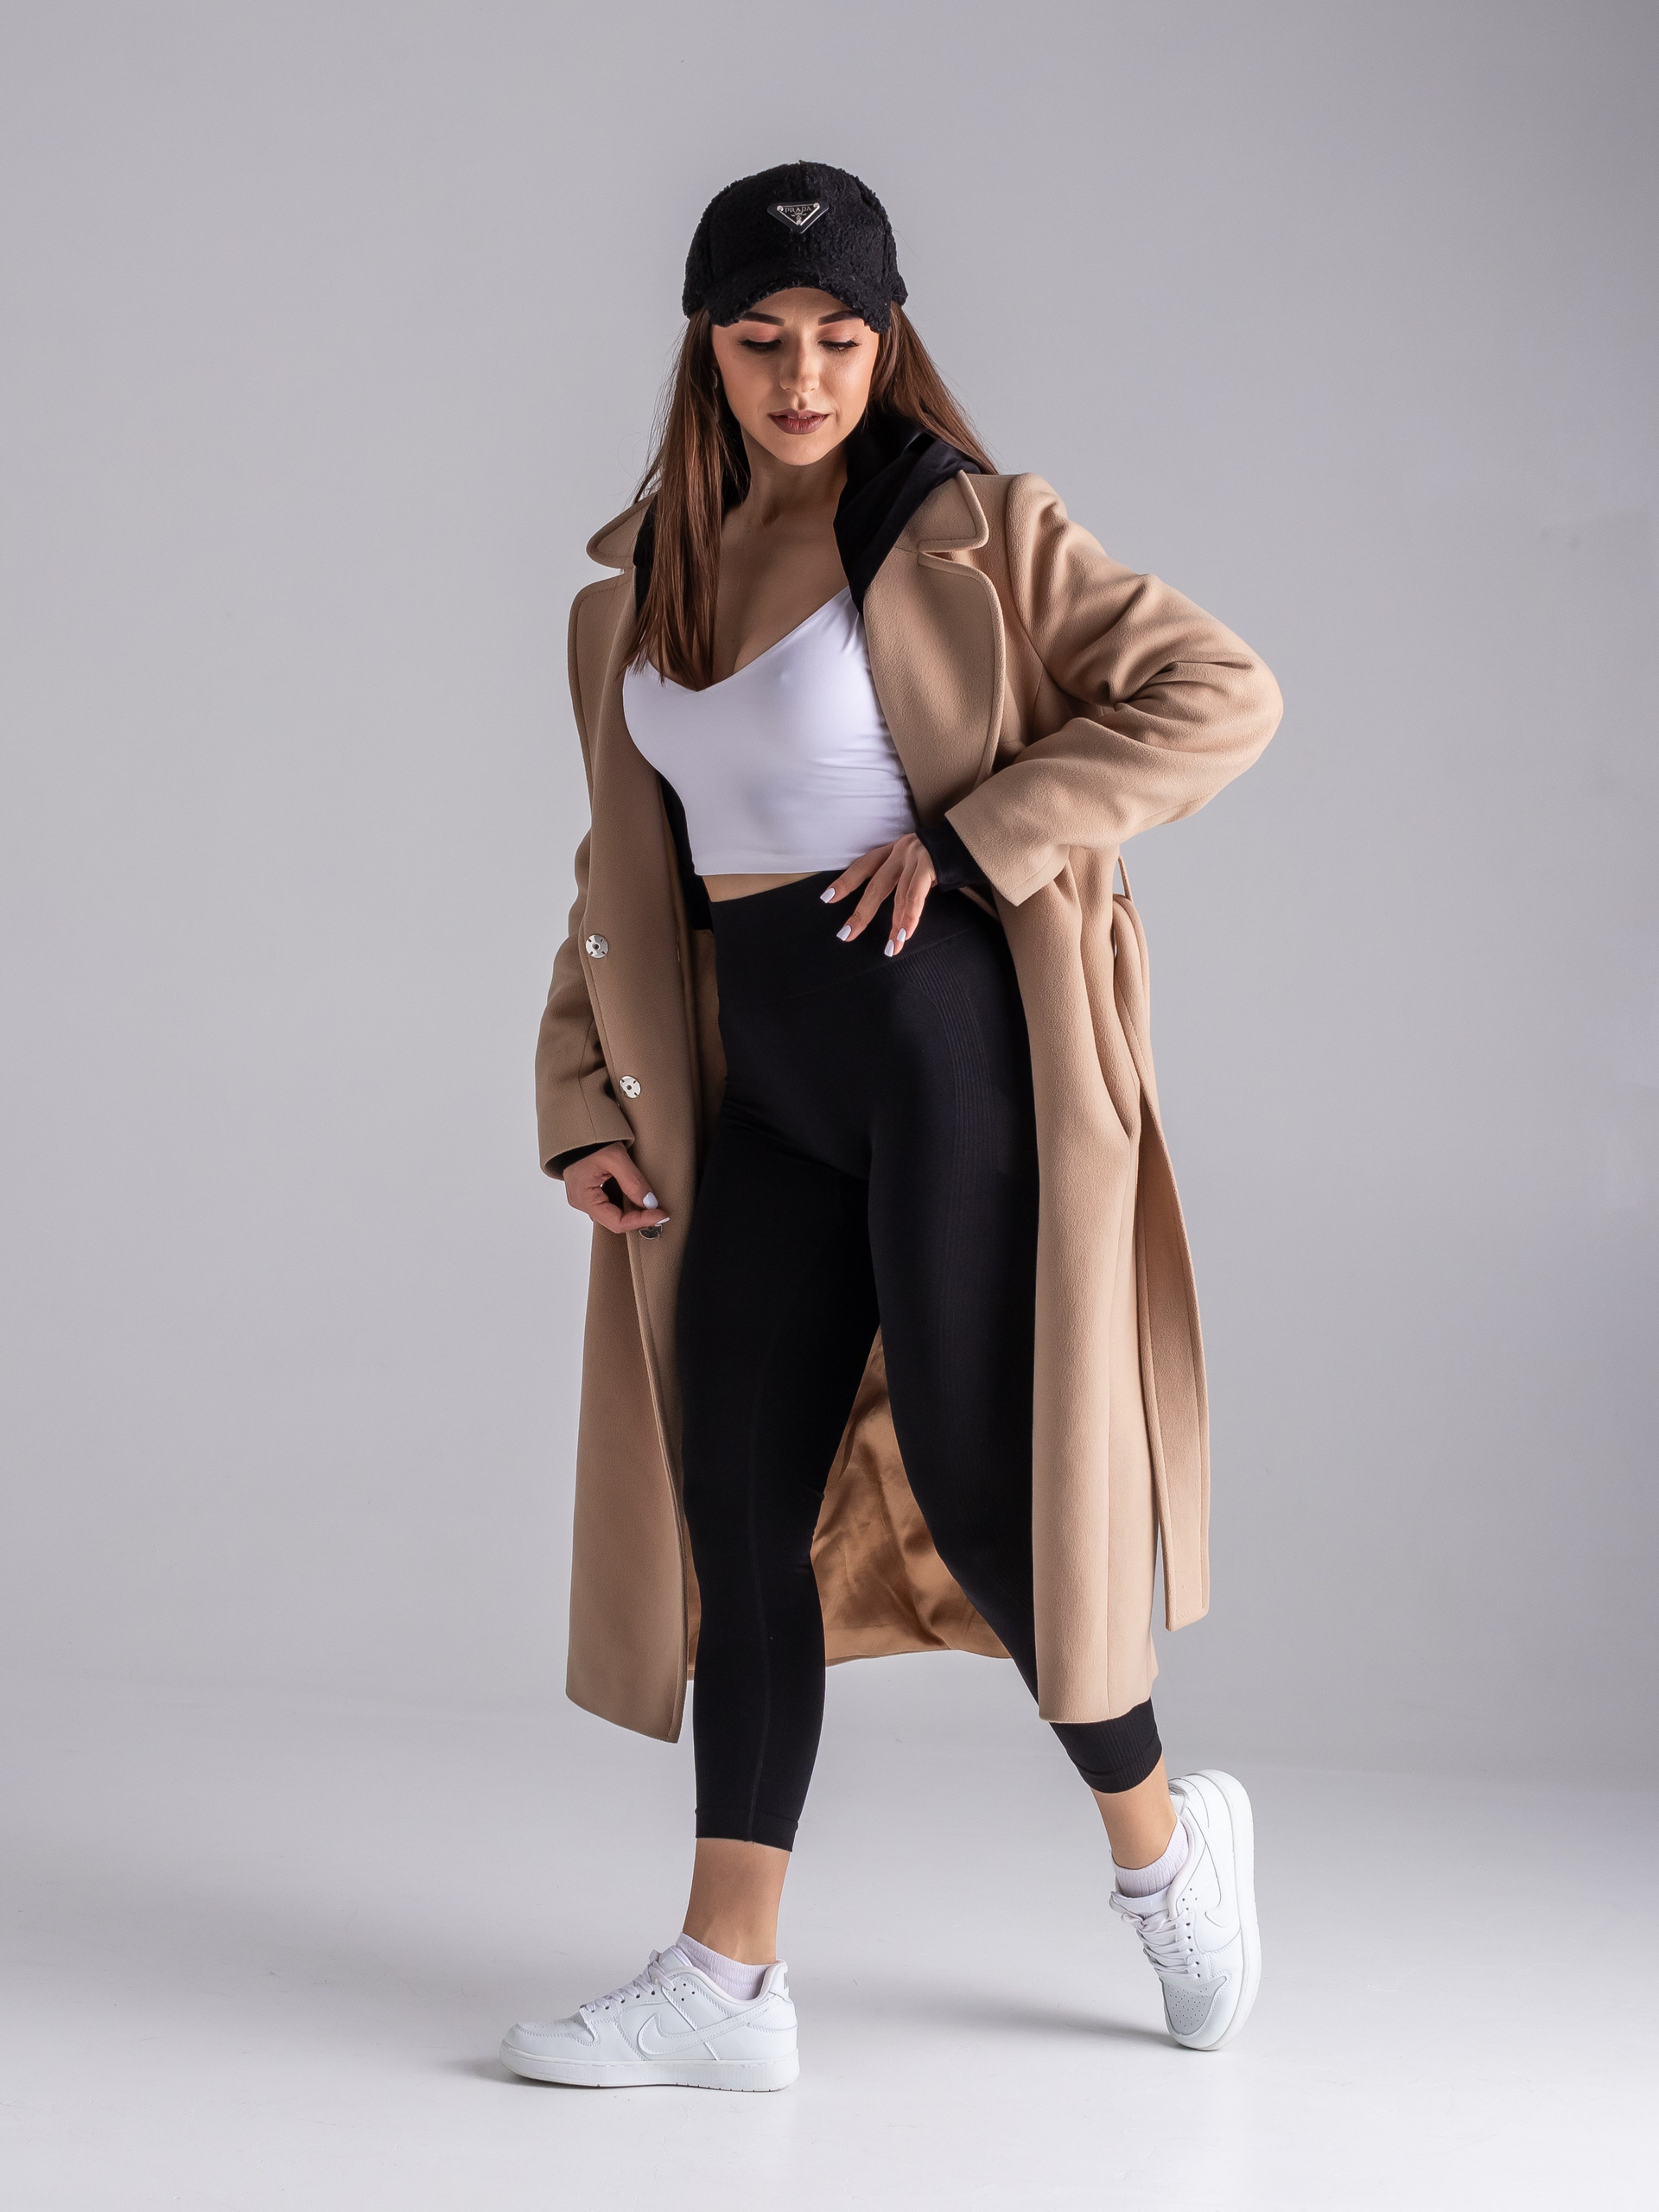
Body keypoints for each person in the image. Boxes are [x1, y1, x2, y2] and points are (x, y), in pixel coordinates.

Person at [502, 161, 1282, 2090]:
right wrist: (582, 1098)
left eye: (841, 340)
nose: (802, 378)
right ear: (706, 347)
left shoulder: (972, 531)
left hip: (942, 1060)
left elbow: (1219, 692)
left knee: (990, 1490)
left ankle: (1166, 1848)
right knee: (736, 1505)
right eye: (761, 339)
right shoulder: (642, 590)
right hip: (757, 1089)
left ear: (888, 342)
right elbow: (617, 877)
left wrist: (979, 832)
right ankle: (726, 1978)